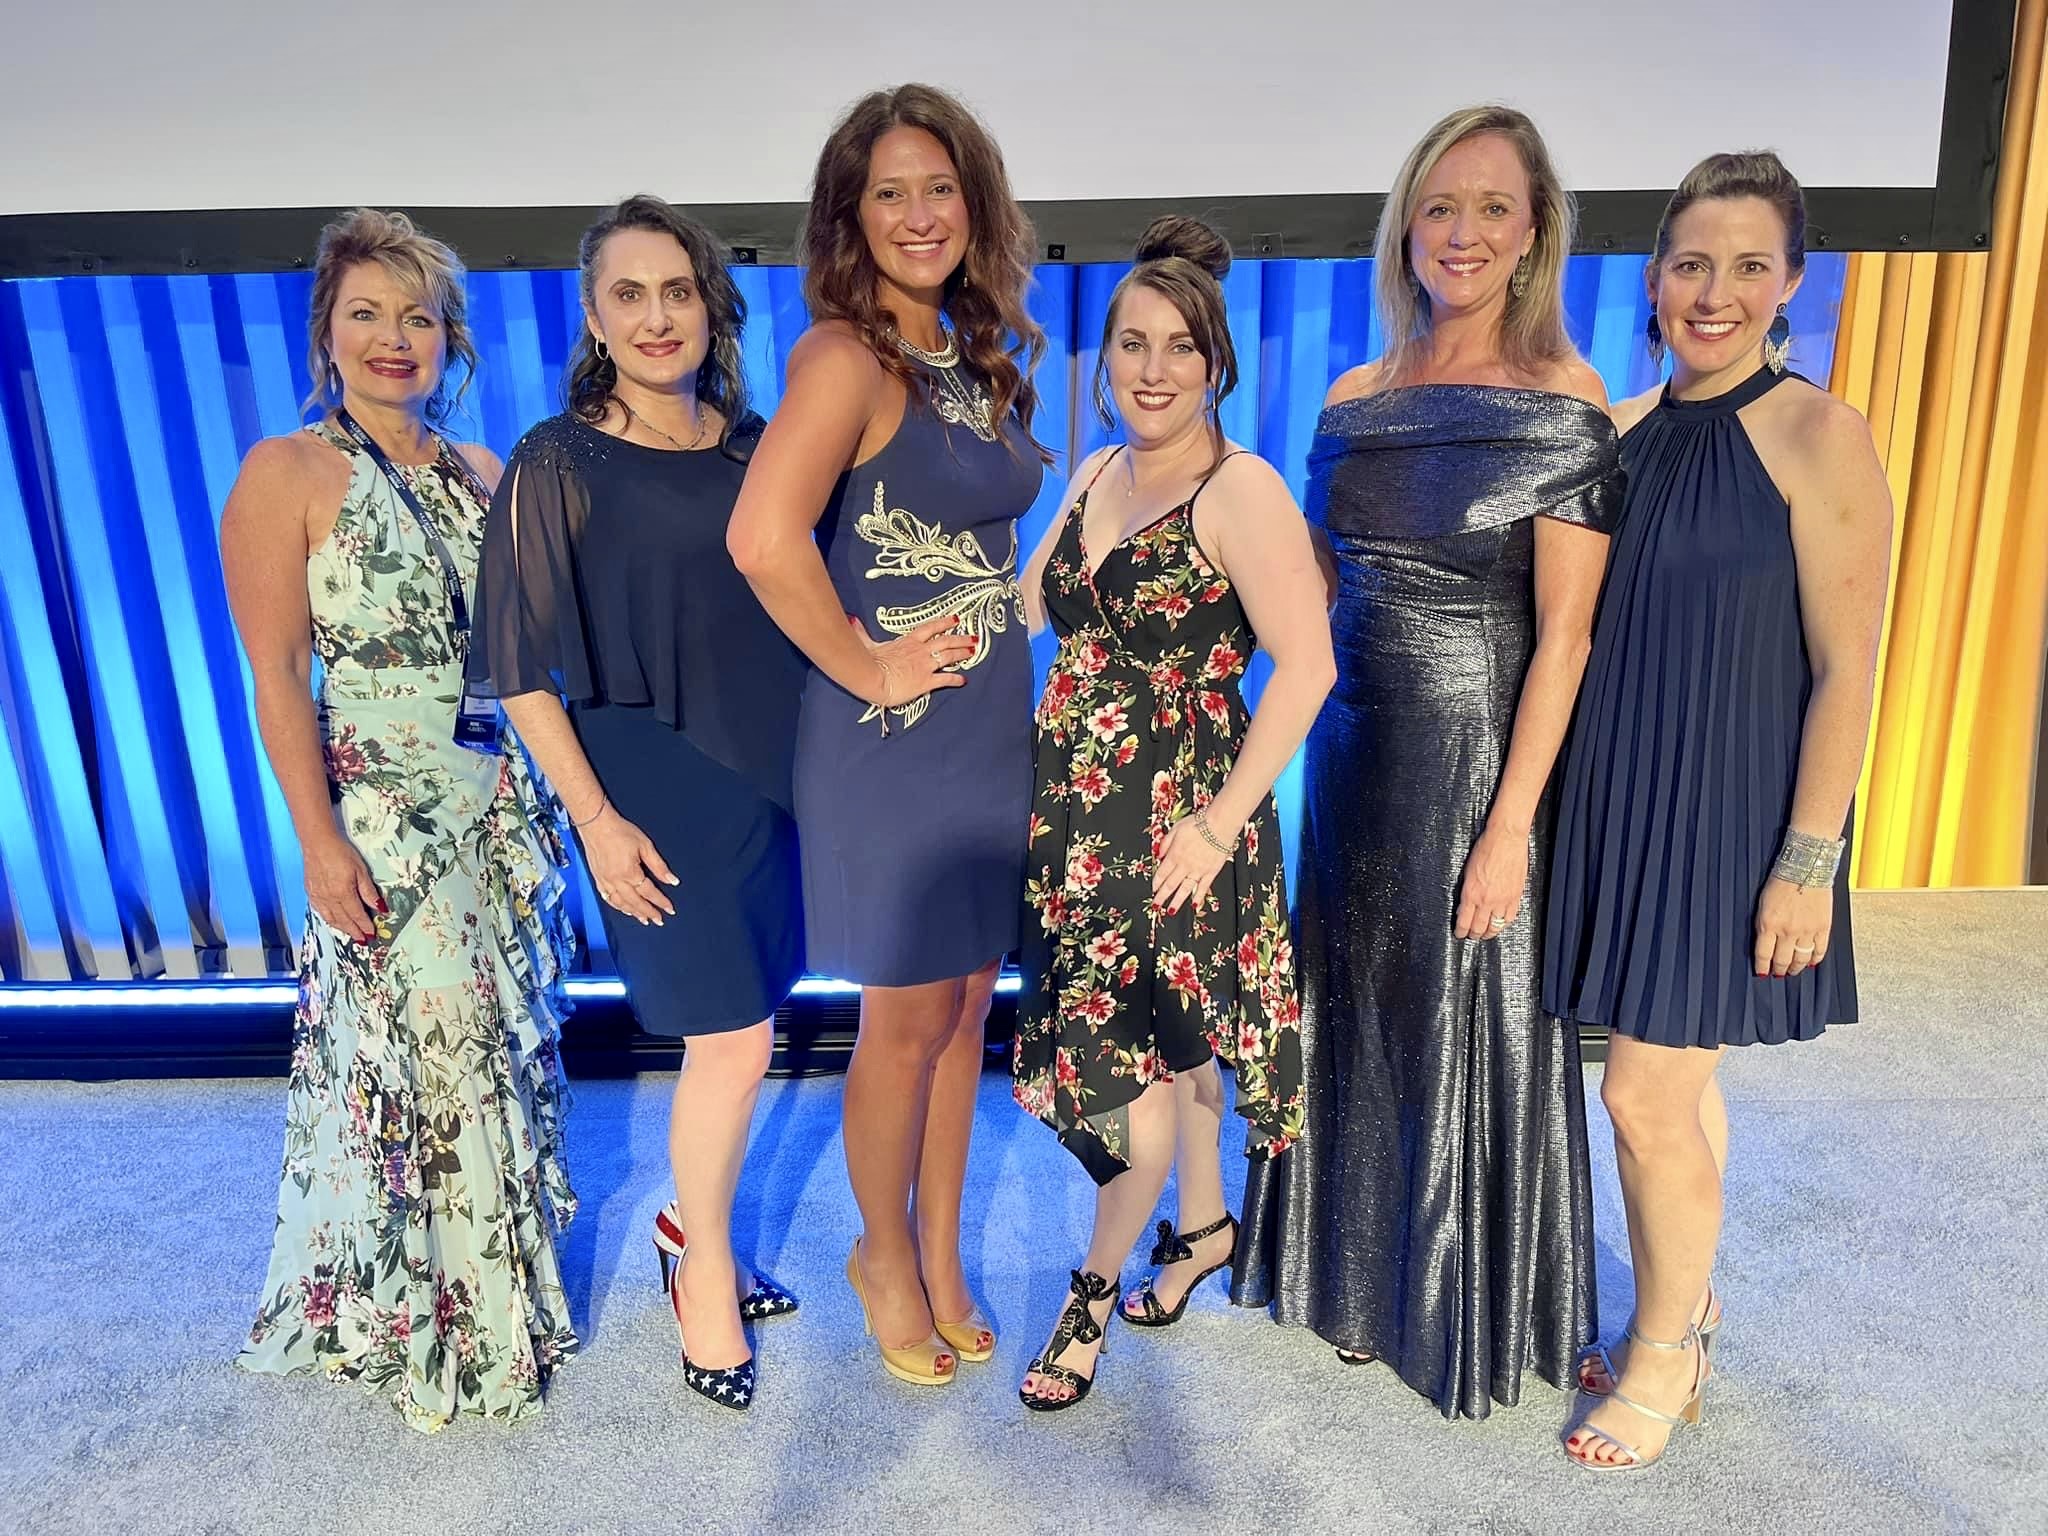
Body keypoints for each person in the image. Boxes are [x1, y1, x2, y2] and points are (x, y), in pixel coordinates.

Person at [1231, 105, 1621, 1420]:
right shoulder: (1352, 397)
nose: (1462, 232)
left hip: (1474, 761)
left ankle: (1457, 1291)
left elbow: (1565, 638)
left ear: (1534, 229)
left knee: (1462, 1005)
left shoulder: (1564, 398)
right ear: (1407, 226)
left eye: (1492, 207)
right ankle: (1350, 1274)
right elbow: (1311, 591)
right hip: (1354, 754)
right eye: (1440, 206)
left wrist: (1511, 827)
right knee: (1355, 994)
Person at [1545, 152, 1891, 1471]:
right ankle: (1683, 1302)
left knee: (1641, 1096)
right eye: (1692, 264)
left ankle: (1664, 1356)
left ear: (1790, 281)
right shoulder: (1620, 429)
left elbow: (1848, 667)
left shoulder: (1819, 433)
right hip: (1624, 803)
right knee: (1677, 1086)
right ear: (1653, 278)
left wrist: (1807, 861)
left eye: (1749, 266)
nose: (1714, 292)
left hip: (1730, 820)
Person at [223, 208, 577, 1432]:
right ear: (325, 331)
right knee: (423, 1060)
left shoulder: (482, 471)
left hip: (498, 804)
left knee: (493, 1050)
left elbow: (536, 643)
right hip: (382, 816)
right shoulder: (283, 472)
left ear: (449, 338)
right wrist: (319, 841)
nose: (392, 337)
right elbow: (279, 675)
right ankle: (446, 1329)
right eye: (365, 313)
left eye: (417, 316)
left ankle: (495, 1301)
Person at [727, 83, 1048, 1388]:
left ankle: (942, 1256)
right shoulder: (843, 359)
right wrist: (864, 660)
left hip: (986, 727)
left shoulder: (966, 355)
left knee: (968, 1007)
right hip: (892, 734)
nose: (919, 215)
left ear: (974, 205)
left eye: (940, 188)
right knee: (906, 1018)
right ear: (849, 217)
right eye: (889, 193)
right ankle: (883, 1255)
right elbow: (762, 538)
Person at [467, 196, 807, 1412]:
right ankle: (700, 1264)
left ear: (711, 306)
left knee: (754, 1017)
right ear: (593, 316)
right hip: (647, 779)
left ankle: (688, 1226)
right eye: (629, 294)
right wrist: (596, 822)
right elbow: (518, 668)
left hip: (771, 773)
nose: (657, 317)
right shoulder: (556, 458)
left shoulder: (756, 445)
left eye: (677, 291)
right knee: (731, 1037)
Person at [1010, 217, 1331, 1411]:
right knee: (1172, 1043)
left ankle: (1087, 1298)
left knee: (1133, 1075)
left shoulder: (1237, 489)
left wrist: (1216, 825)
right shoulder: (1096, 469)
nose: (1152, 370)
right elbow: (1027, 610)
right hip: (1075, 816)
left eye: (1179, 348)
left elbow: (1306, 667)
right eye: (1131, 344)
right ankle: (1202, 1231)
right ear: (1104, 357)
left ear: (1215, 363)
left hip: (1177, 828)